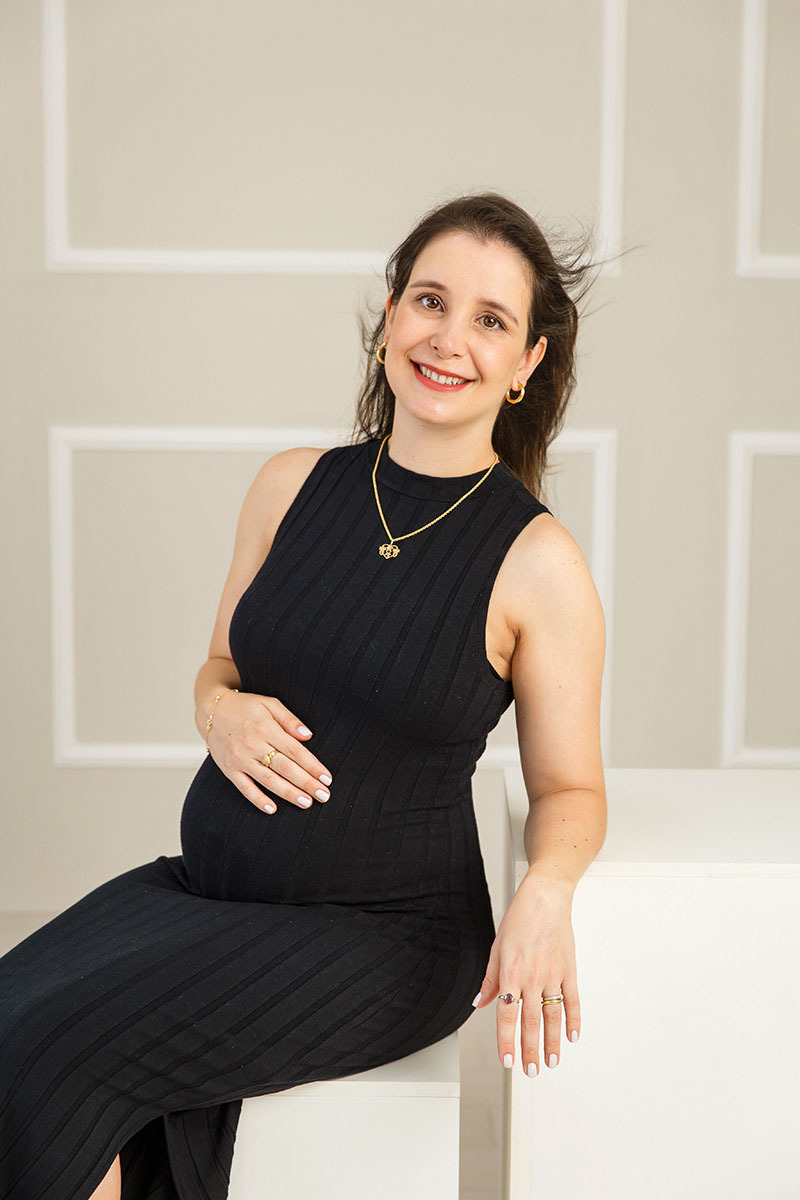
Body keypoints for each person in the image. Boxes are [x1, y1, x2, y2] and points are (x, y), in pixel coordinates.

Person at [0, 190, 608, 1200]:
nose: (448, 339)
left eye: (490, 321)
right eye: (430, 301)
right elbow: (218, 667)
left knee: (52, 1057)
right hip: (209, 893)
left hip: (385, 938)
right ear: (389, 314)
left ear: (525, 363)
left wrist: (546, 889)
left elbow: (571, 789)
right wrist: (220, 712)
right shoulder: (289, 486)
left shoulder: (538, 565)